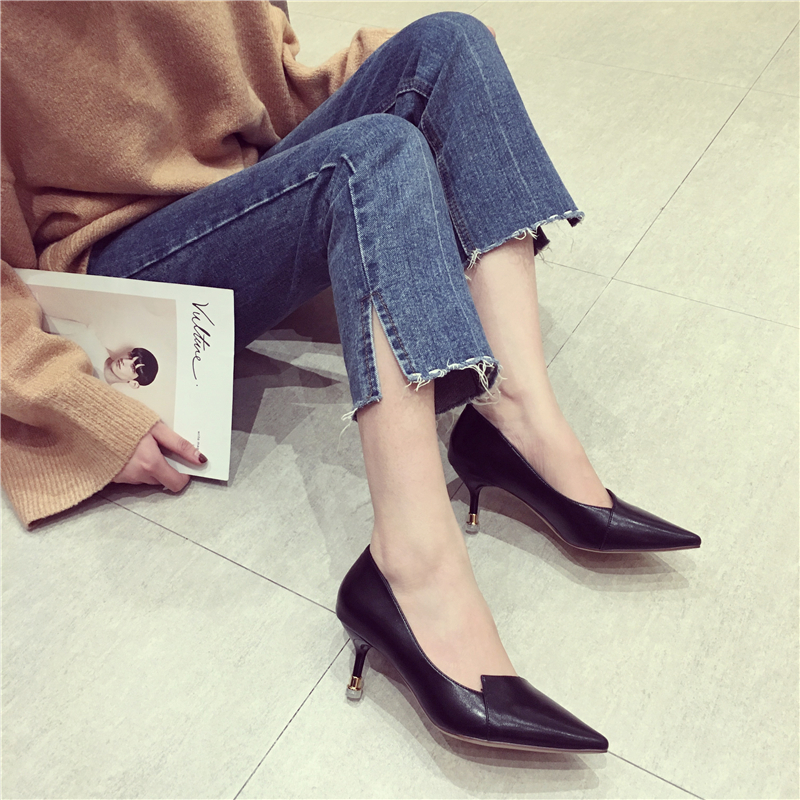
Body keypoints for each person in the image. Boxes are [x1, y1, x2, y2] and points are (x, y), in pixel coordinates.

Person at [1, 2, 700, 753]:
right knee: (373, 156)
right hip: (124, 269)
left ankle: (516, 416)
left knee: (452, 43)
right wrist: (72, 400)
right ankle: (411, 567)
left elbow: (262, 87)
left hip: (240, 197)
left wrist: (435, 87)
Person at [43, 316, 159, 388]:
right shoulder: (87, 336)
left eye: (133, 367)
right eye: (130, 355)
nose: (125, 361)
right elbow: (39, 320)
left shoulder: (99, 395)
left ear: (133, 383)